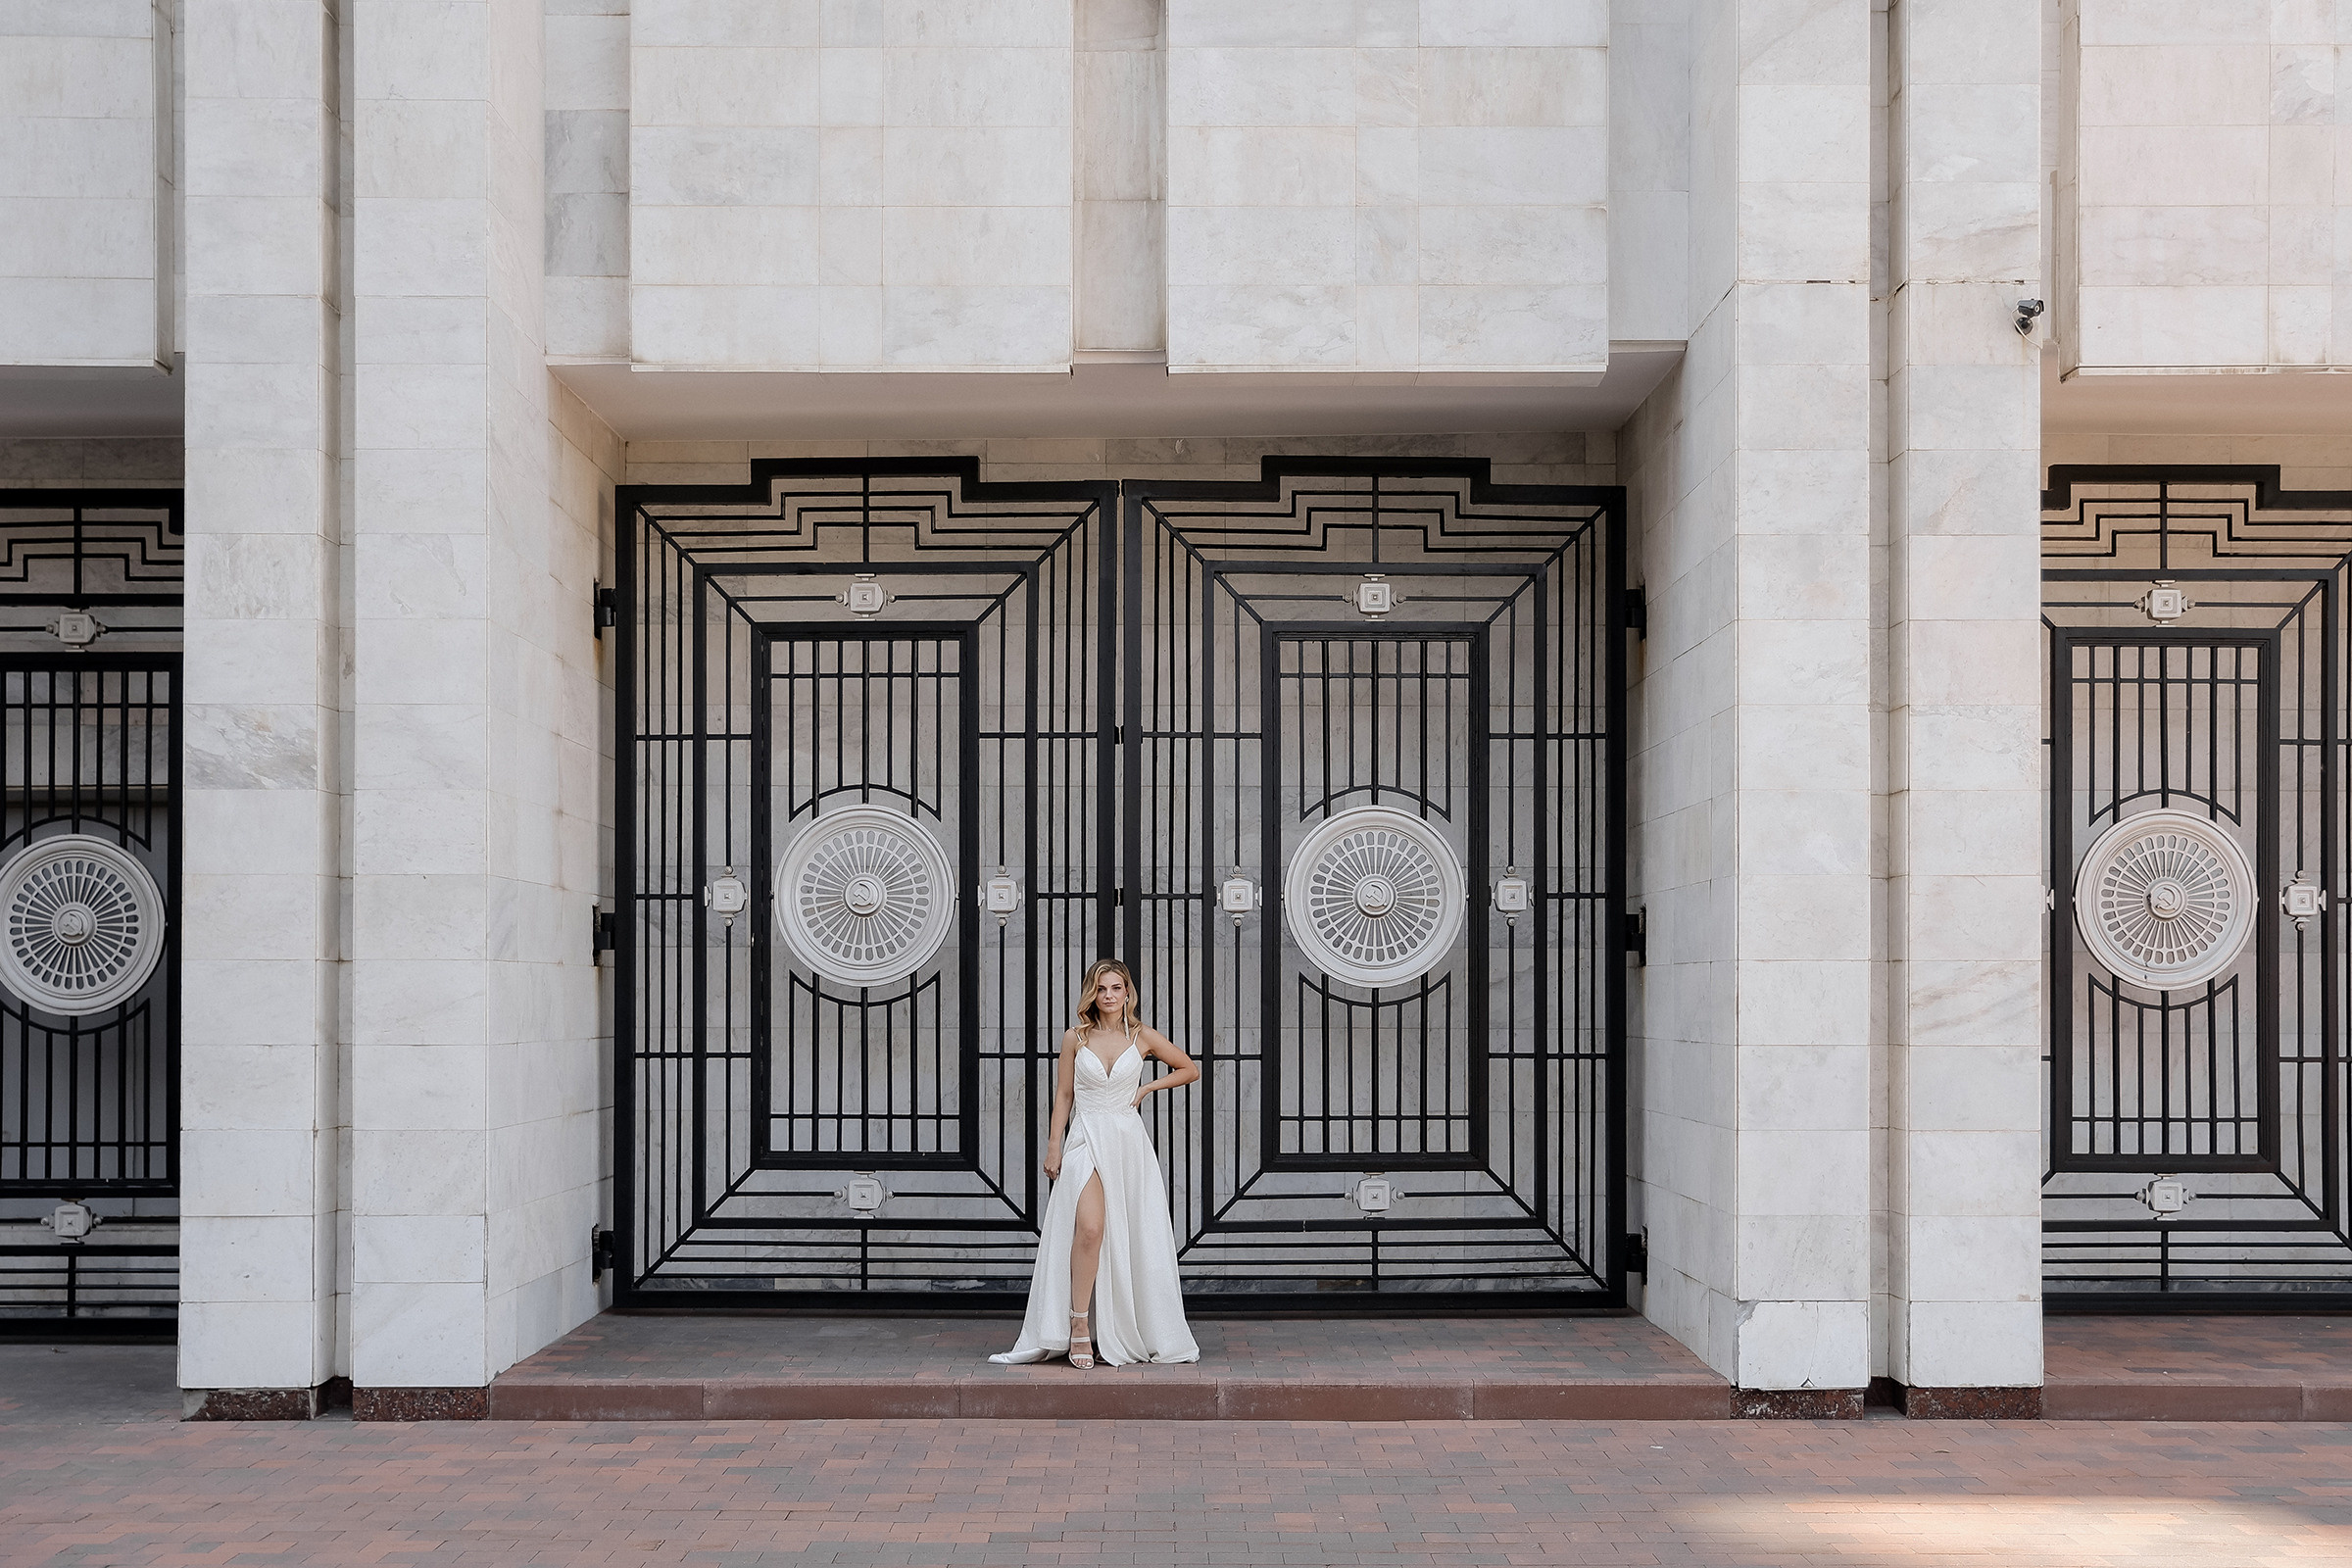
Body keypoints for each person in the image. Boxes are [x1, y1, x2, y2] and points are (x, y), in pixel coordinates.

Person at [989, 957, 1200, 1368]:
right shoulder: (1075, 1037)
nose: (1109, 996)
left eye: (1116, 988)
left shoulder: (1142, 1036)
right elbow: (1064, 1096)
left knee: (1127, 1232)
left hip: (1126, 1142)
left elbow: (1189, 1068)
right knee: (1090, 1228)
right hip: (1085, 1136)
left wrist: (1148, 1088)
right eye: (1101, 989)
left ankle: (1120, 1324)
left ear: (1127, 993)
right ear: (1092, 993)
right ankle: (1078, 1324)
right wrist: (1054, 1145)